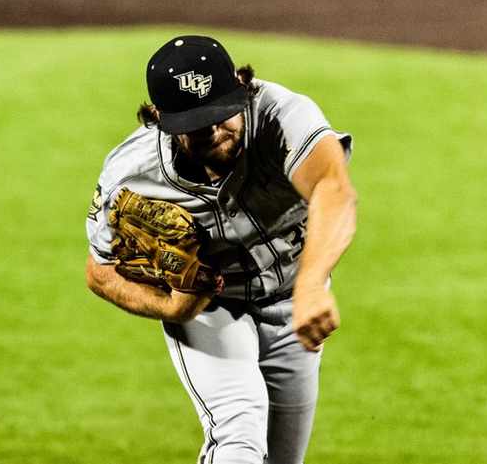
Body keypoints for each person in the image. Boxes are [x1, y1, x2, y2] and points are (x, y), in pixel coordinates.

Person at [84, 35, 357, 464]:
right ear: (158, 116)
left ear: (239, 85)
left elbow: (333, 189)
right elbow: (99, 270)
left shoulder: (282, 115)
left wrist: (310, 284)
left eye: (220, 111)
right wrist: (170, 308)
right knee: (239, 433)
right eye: (195, 120)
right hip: (212, 308)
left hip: (293, 298)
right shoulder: (132, 172)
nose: (213, 129)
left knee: (283, 458)